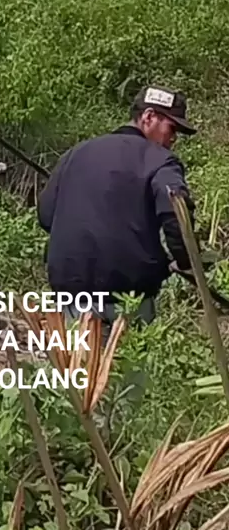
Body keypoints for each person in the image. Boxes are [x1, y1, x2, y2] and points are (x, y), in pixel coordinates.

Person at [37, 85, 198, 341]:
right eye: (171, 128)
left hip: (73, 295)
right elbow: (176, 213)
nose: (173, 139)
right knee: (130, 365)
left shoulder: (76, 154)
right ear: (148, 117)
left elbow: (46, 215)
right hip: (129, 297)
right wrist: (188, 261)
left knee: (80, 366)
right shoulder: (160, 160)